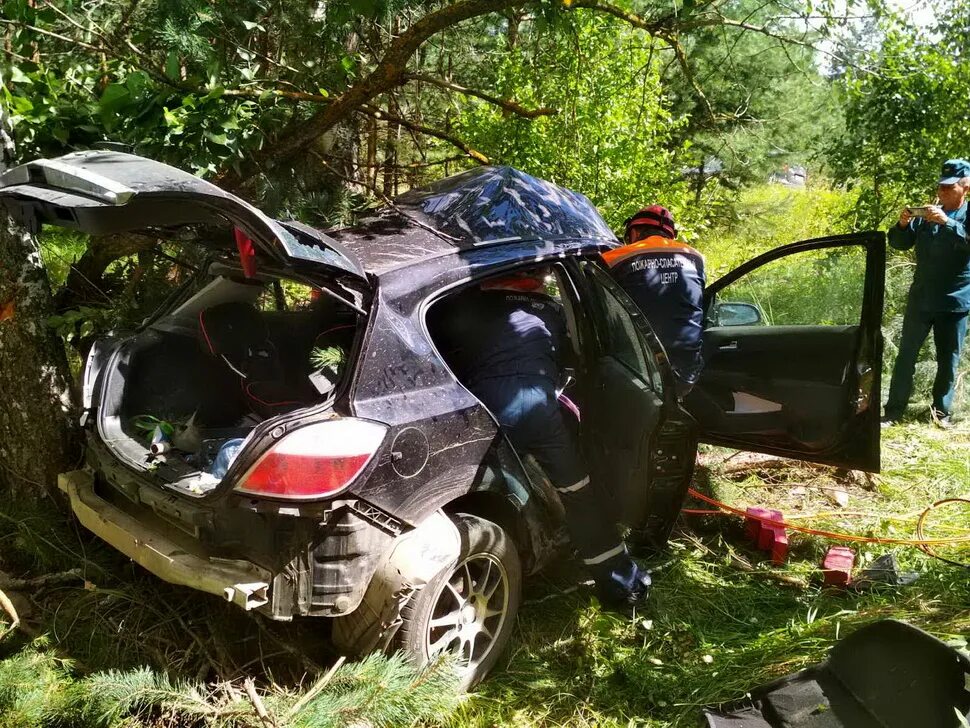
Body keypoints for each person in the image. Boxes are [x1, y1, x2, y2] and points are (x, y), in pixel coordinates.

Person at [433, 269, 651, 612]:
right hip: (540, 412)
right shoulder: (549, 309)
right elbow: (573, 359)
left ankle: (460, 585)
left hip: (482, 416)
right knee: (578, 493)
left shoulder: (461, 306)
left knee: (462, 497)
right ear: (535, 278)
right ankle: (620, 583)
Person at [883, 159, 970, 428]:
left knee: (947, 360)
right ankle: (893, 412)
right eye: (940, 187)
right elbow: (899, 243)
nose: (942, 192)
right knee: (906, 355)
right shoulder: (928, 215)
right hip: (921, 299)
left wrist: (948, 223)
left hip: (954, 300)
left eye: (949, 187)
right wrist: (902, 224)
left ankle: (940, 415)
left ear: (965, 186)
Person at [602, 205, 706, 398]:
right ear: (671, 235)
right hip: (687, 372)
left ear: (634, 232)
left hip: (639, 372)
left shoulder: (614, 259)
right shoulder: (696, 258)